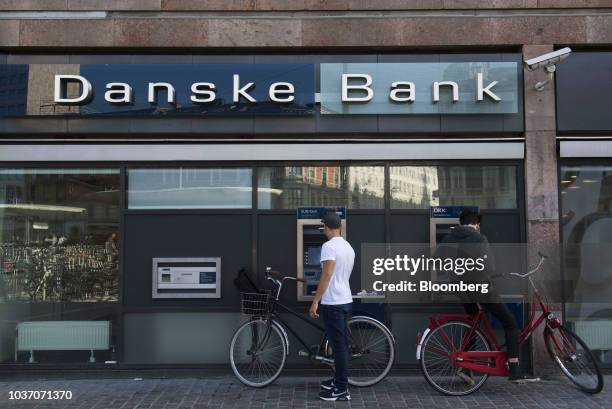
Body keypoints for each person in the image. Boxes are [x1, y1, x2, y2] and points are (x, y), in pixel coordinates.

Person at [439, 209, 538, 384]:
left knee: (471, 326)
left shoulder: (449, 238)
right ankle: (514, 369)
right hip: (481, 289)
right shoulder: (479, 238)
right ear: (476, 224)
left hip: (462, 289)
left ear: (461, 222)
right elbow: (488, 267)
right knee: (509, 323)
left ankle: (466, 368)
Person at [309, 211, 354, 401]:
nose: (324, 231)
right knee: (340, 346)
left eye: (324, 228)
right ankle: (337, 381)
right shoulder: (348, 246)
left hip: (333, 302)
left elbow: (327, 275)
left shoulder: (328, 246)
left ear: (327, 227)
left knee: (339, 348)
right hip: (344, 299)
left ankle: (342, 389)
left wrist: (315, 301)